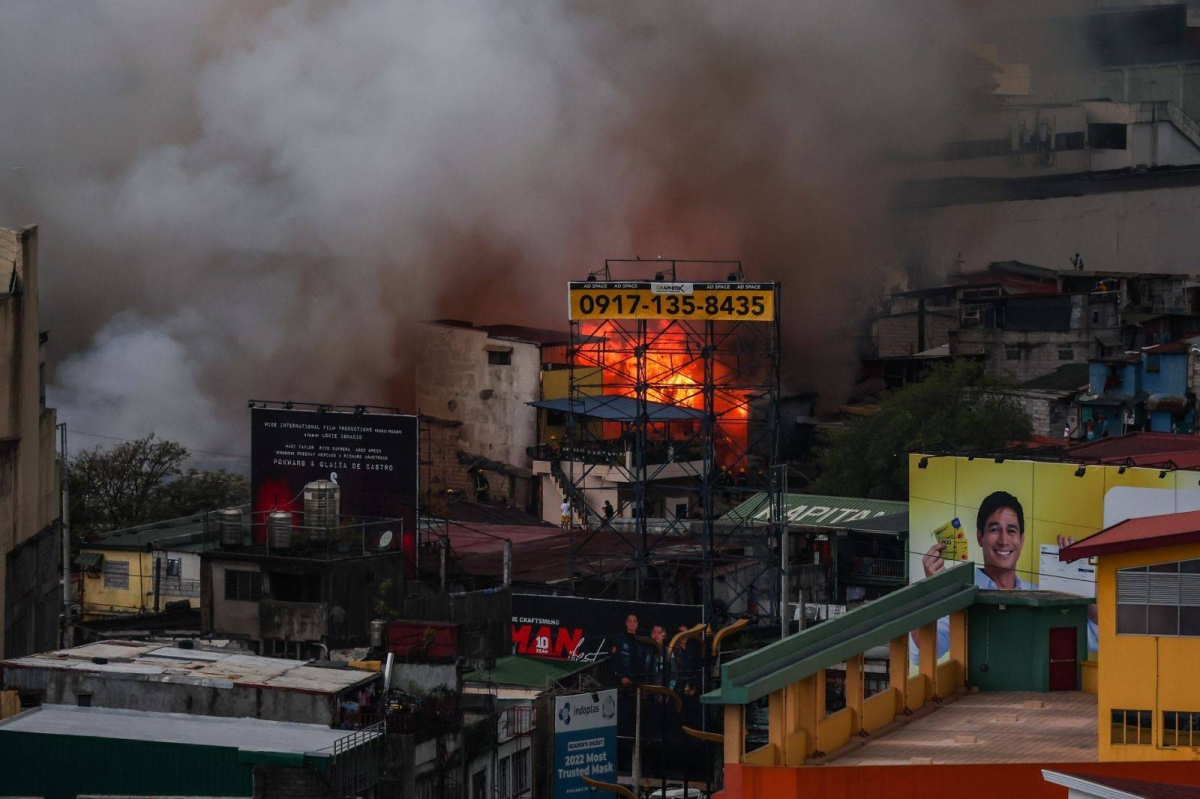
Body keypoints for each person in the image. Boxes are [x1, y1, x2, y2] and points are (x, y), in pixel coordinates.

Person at [917, 490, 1097, 659]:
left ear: (1021, 539)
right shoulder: (959, 595)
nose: (1003, 541)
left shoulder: (1040, 595)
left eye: (1011, 531)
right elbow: (925, 651)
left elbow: (1096, 638)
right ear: (980, 537)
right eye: (995, 530)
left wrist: (1081, 576)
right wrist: (929, 592)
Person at [611, 614, 644, 686]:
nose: (632, 623)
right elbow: (614, 660)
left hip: (637, 681)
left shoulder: (641, 641)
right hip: (622, 681)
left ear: (637, 624)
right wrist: (621, 677)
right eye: (630, 621)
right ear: (626, 623)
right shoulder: (620, 639)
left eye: (634, 621)